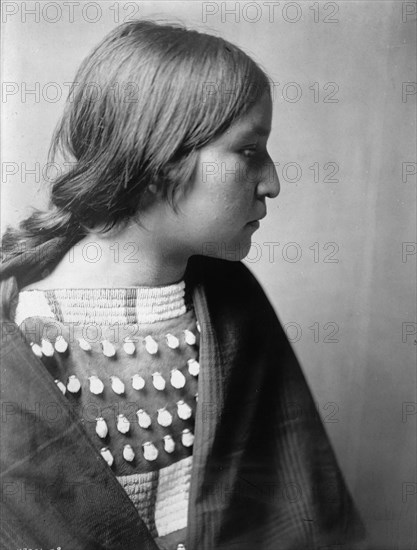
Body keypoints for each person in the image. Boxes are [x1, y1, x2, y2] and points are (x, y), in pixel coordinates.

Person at [0, 20, 366, 550]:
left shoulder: (234, 305)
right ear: (158, 161)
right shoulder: (21, 345)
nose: (273, 182)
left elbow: (299, 516)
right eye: (248, 151)